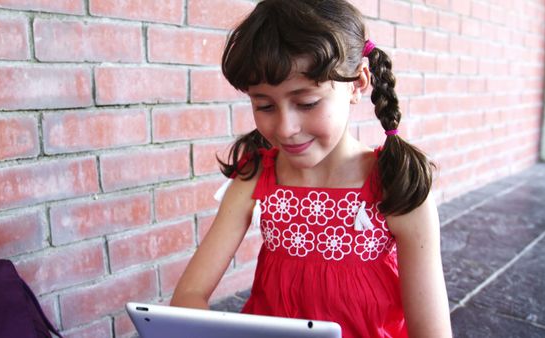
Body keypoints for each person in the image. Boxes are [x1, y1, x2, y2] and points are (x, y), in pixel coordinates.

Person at [171, 0, 452, 337]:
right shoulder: (255, 177)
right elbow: (189, 293)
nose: (285, 127)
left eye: (307, 103)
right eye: (264, 105)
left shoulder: (397, 187)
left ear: (358, 83)